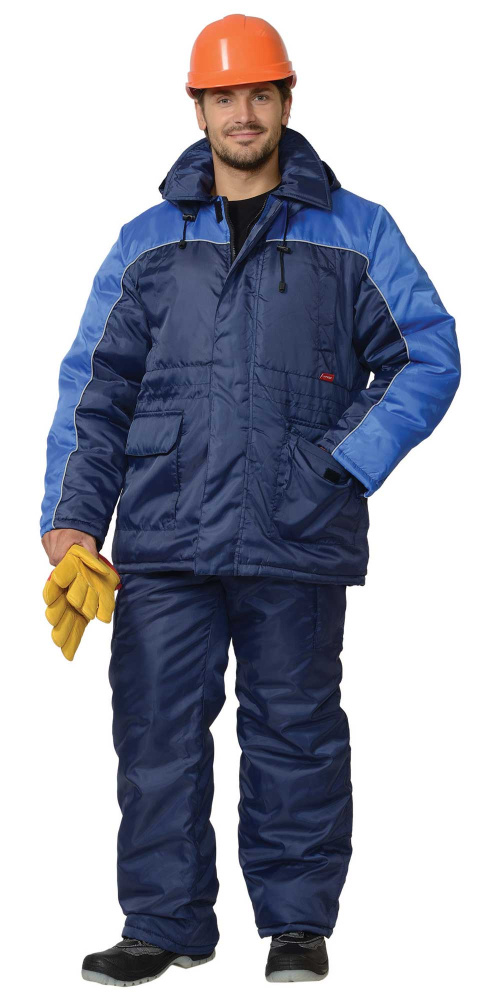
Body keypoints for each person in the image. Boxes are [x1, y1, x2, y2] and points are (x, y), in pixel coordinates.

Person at [40, 13, 461, 986]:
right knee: (154, 733)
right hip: (164, 535)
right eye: (224, 96)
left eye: (260, 93)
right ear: (197, 108)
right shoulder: (147, 242)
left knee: (295, 729)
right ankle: (163, 923)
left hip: (295, 526)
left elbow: (427, 355)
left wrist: (342, 461)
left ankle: (296, 922)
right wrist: (71, 522)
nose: (243, 112)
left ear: (286, 99)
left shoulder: (356, 231)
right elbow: (95, 388)